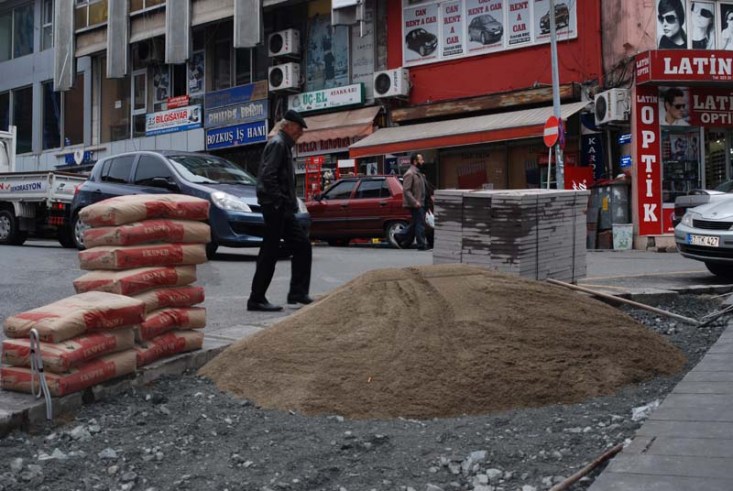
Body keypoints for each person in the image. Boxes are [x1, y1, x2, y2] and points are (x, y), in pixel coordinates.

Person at [247, 110, 313, 312]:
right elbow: (268, 176)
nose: (301, 133)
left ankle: (297, 293)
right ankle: (256, 298)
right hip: (276, 207)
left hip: (281, 207)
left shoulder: (284, 145)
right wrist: (278, 203)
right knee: (270, 252)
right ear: (288, 126)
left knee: (301, 245)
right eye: (299, 128)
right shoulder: (278, 144)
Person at [394, 153, 429, 251]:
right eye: (421, 160)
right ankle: (421, 245)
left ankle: (400, 237)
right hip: (416, 204)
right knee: (420, 224)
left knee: (416, 223)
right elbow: (406, 191)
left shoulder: (419, 174)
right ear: (415, 161)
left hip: (422, 202)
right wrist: (415, 202)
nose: (423, 162)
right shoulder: (409, 174)